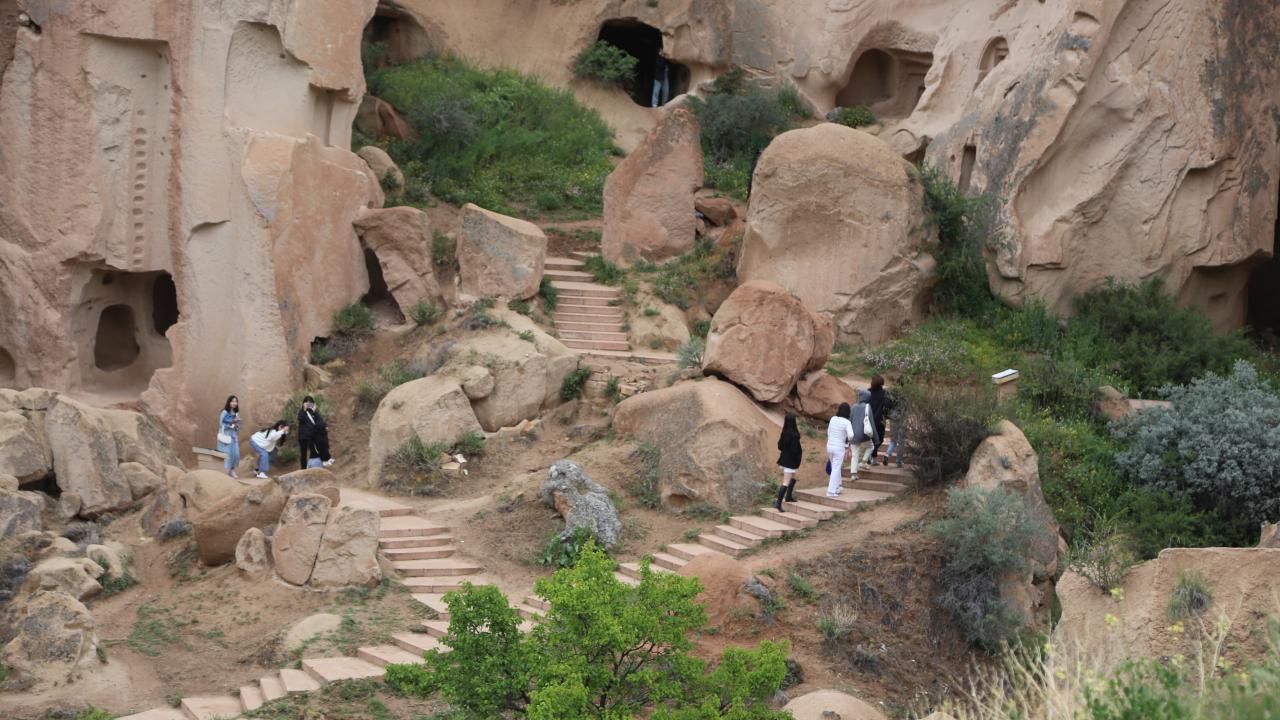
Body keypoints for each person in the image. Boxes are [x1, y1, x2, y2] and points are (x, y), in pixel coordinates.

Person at [774, 413, 802, 511]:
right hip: (791, 461)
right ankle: (778, 503)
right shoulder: (794, 435)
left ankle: (788, 497)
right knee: (786, 482)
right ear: (793, 422)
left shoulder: (784, 432)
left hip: (786, 459)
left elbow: (780, 446)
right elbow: (795, 449)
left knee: (794, 477)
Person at [296, 396, 334, 470]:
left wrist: (315, 411)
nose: (308, 404)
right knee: (303, 454)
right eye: (307, 403)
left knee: (316, 449)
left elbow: (320, 421)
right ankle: (303, 469)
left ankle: (321, 462)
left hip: (312, 435)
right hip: (303, 436)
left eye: (310, 403)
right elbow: (300, 418)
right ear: (303, 403)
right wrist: (304, 409)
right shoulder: (302, 412)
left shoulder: (314, 412)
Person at [826, 403, 854, 498]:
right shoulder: (847, 422)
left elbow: (828, 432)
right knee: (836, 468)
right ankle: (831, 491)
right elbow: (851, 435)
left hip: (829, 446)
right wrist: (847, 443)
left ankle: (838, 487)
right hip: (839, 447)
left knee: (834, 467)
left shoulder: (833, 419)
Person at [848, 390, 876, 479]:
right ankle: (863, 462)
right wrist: (876, 437)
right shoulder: (867, 407)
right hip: (864, 435)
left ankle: (853, 474)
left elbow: (850, 421)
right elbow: (871, 422)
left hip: (853, 435)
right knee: (871, 447)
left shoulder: (853, 407)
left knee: (855, 455)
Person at [865, 375, 889, 465]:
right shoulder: (884, 393)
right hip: (880, 420)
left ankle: (873, 458)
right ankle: (870, 455)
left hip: (868, 420)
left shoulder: (868, 392)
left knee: (871, 440)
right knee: (880, 440)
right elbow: (887, 406)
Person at [216, 395, 241, 479]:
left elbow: (238, 425)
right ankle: (226, 472)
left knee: (236, 454)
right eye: (232, 401)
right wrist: (231, 423)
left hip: (233, 435)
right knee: (227, 454)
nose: (234, 403)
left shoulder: (237, 413)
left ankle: (232, 470)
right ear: (229, 402)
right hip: (226, 435)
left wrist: (236, 425)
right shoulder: (224, 412)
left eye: (236, 401)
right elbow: (221, 424)